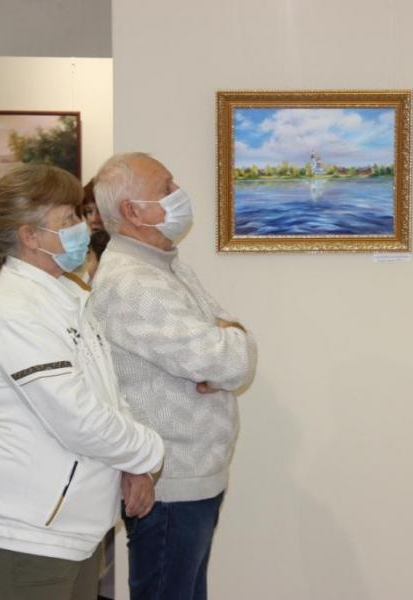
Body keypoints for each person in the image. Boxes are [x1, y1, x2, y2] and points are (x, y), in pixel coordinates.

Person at [0, 164, 166, 600]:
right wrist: (149, 452)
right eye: (68, 218)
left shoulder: (68, 295)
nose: (83, 226)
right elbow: (78, 418)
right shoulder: (14, 311)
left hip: (73, 520)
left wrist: (133, 464)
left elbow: (106, 394)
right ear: (30, 236)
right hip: (29, 527)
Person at [89, 153, 257, 600]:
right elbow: (229, 360)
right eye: (165, 188)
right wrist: (228, 345)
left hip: (193, 476)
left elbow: (230, 344)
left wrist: (230, 340)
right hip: (169, 485)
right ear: (132, 211)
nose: (178, 192)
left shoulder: (166, 264)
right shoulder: (131, 282)